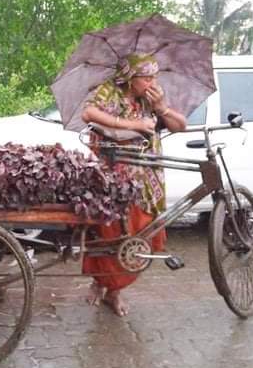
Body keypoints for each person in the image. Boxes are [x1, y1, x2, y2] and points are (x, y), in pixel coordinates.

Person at [80, 53, 187, 316]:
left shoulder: (152, 100)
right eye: (146, 77)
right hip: (114, 178)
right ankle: (101, 282)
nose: (152, 82)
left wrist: (162, 108)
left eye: (154, 76)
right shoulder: (110, 91)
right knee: (109, 234)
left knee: (139, 236)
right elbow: (88, 112)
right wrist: (132, 124)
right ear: (130, 77)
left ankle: (114, 291)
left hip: (147, 181)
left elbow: (180, 126)